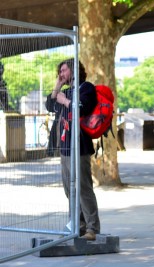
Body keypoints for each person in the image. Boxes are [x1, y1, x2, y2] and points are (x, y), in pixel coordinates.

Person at [45, 58, 100, 241]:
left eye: (64, 70)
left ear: (75, 70)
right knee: (69, 189)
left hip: (80, 145)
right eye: (60, 71)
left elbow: (83, 108)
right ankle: (78, 225)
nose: (61, 74)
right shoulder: (67, 91)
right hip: (65, 147)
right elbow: (50, 106)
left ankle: (92, 227)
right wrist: (57, 87)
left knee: (83, 187)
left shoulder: (86, 88)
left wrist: (66, 101)